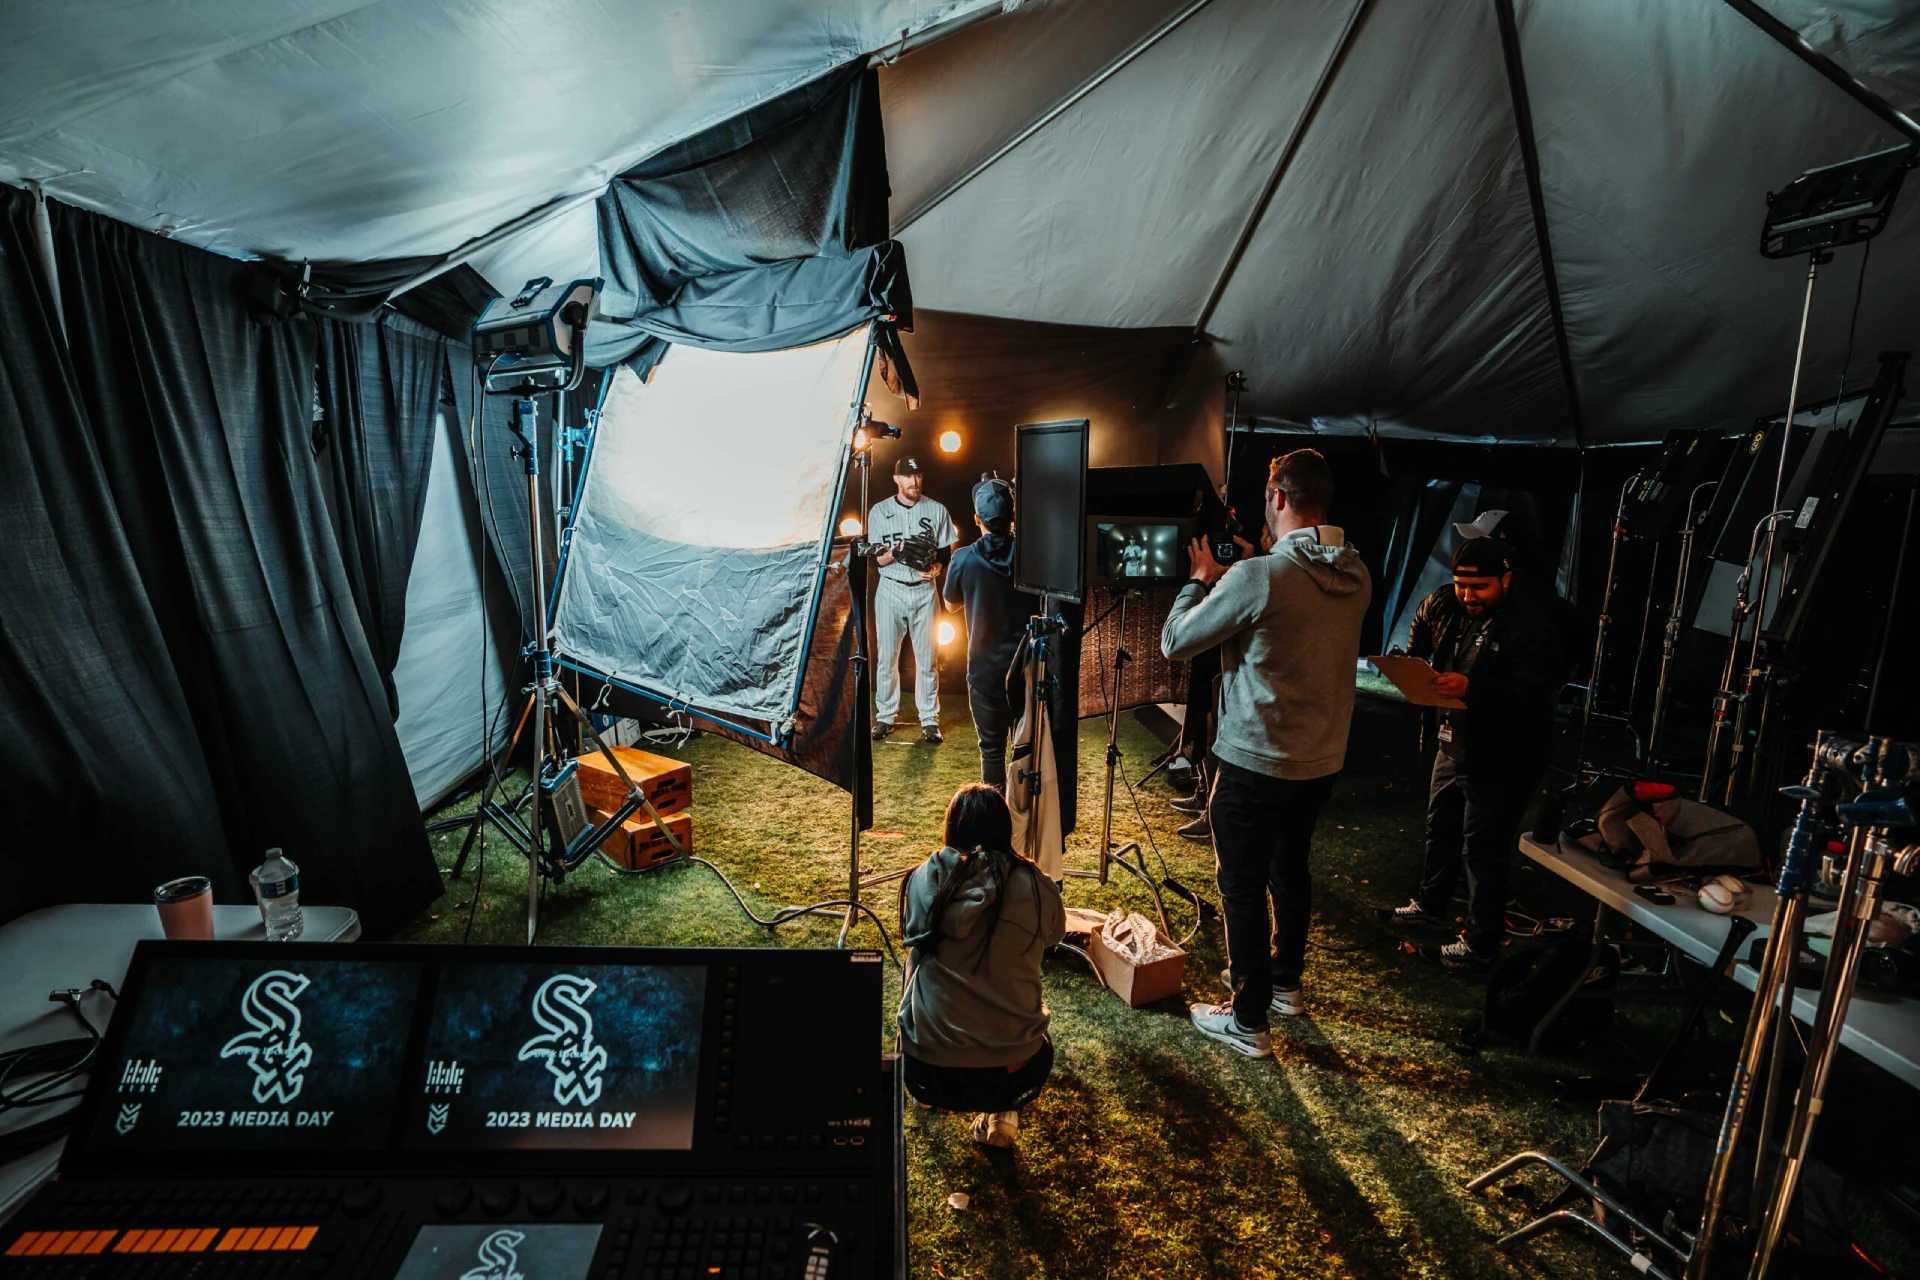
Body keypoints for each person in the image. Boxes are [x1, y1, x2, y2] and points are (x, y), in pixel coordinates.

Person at [1161, 449, 1371, 1057]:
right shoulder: (1356, 572)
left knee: (1242, 885)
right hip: (1320, 759)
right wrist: (1255, 570)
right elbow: (1296, 614)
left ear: (1278, 498)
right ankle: (1284, 984)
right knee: (1290, 869)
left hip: (1255, 758)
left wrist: (1201, 579)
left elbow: (1177, 641)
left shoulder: (1262, 578)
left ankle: (1247, 1021)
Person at [1387, 536, 1564, 969]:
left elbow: (1533, 694)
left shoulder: (1534, 623)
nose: (1468, 595)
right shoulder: (1446, 603)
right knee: (1441, 826)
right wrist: (1413, 662)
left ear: (1505, 579)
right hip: (1455, 738)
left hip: (1507, 750)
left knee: (1481, 847)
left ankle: (1481, 940)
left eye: (1479, 587)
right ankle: (1432, 905)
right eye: (1462, 584)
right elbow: (1425, 622)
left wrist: (1473, 688)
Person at [896, 784, 1066, 1148]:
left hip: (928, 1071)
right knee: (1025, 975)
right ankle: (1004, 1115)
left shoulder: (925, 877)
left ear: (952, 830)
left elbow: (912, 933)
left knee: (916, 955)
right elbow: (1053, 935)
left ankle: (926, 1091)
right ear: (1005, 831)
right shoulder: (1037, 884)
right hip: (1015, 1073)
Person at [943, 476, 1026, 787]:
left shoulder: (962, 557)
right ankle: (1024, 822)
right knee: (1026, 751)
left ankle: (995, 828)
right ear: (1013, 517)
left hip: (984, 673)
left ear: (977, 519)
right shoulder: (1031, 555)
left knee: (991, 751)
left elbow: (951, 605)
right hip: (1025, 672)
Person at [869, 457, 958, 743]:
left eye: (918, 475)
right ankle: (885, 717)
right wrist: (898, 551)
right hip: (891, 588)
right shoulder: (879, 511)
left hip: (923, 592)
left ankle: (929, 720)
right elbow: (875, 561)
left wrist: (935, 569)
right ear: (896, 479)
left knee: (928, 659)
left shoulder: (937, 510)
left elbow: (945, 553)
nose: (913, 481)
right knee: (886, 658)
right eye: (907, 476)